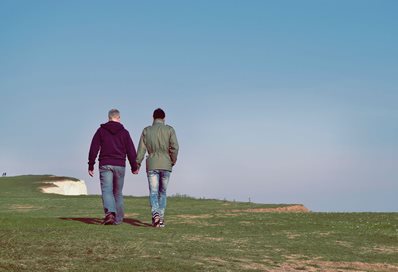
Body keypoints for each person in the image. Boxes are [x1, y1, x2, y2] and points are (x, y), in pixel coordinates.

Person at [88, 109, 138, 225]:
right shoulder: (124, 132)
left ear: (109, 117)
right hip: (120, 165)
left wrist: (91, 165)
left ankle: (110, 214)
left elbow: (93, 148)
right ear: (118, 118)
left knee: (107, 190)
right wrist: (134, 167)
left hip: (105, 164)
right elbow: (131, 150)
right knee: (118, 192)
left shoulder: (101, 131)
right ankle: (118, 219)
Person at [134, 108, 179, 227]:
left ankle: (155, 214)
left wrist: (137, 164)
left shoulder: (146, 130)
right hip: (166, 164)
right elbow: (175, 147)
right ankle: (161, 218)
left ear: (153, 118)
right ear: (164, 118)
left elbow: (141, 149)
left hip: (152, 164)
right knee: (162, 193)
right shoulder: (170, 129)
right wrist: (172, 161)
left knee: (153, 192)